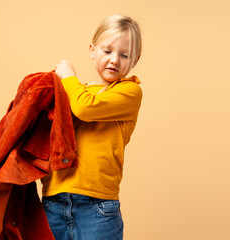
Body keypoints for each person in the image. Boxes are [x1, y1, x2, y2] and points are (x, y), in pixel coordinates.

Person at [41, 14, 143, 240]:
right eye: (107, 51)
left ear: (134, 60)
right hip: (54, 202)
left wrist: (67, 76)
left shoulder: (129, 92)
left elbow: (84, 108)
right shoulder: (74, 90)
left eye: (124, 55)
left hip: (97, 208)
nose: (114, 59)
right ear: (92, 50)